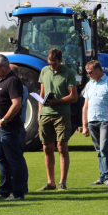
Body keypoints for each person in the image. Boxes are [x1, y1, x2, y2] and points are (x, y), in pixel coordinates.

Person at [37, 48, 78, 191]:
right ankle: (50, 182)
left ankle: (62, 182)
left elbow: (74, 97)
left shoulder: (69, 73)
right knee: (46, 148)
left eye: (54, 64)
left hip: (62, 114)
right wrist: (39, 113)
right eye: (49, 63)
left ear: (61, 61)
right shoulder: (44, 71)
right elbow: (41, 94)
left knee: (62, 147)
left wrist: (55, 102)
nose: (51, 66)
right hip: (45, 114)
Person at [82, 60, 108, 186]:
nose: (89, 74)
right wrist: (84, 125)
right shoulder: (89, 85)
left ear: (98, 70)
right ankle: (102, 176)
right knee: (99, 150)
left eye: (91, 72)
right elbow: (85, 106)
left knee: (104, 148)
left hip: (104, 120)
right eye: (87, 73)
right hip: (92, 120)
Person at [0, 55, 25, 200]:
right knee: (2, 159)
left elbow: (17, 104)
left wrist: (4, 119)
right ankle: (4, 191)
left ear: (3, 66)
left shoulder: (12, 81)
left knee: (14, 159)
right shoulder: (0, 80)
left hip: (9, 127)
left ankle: (18, 193)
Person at [9, 64, 29, 194]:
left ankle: (22, 187)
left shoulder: (21, 88)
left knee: (18, 158)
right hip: (12, 126)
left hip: (17, 126)